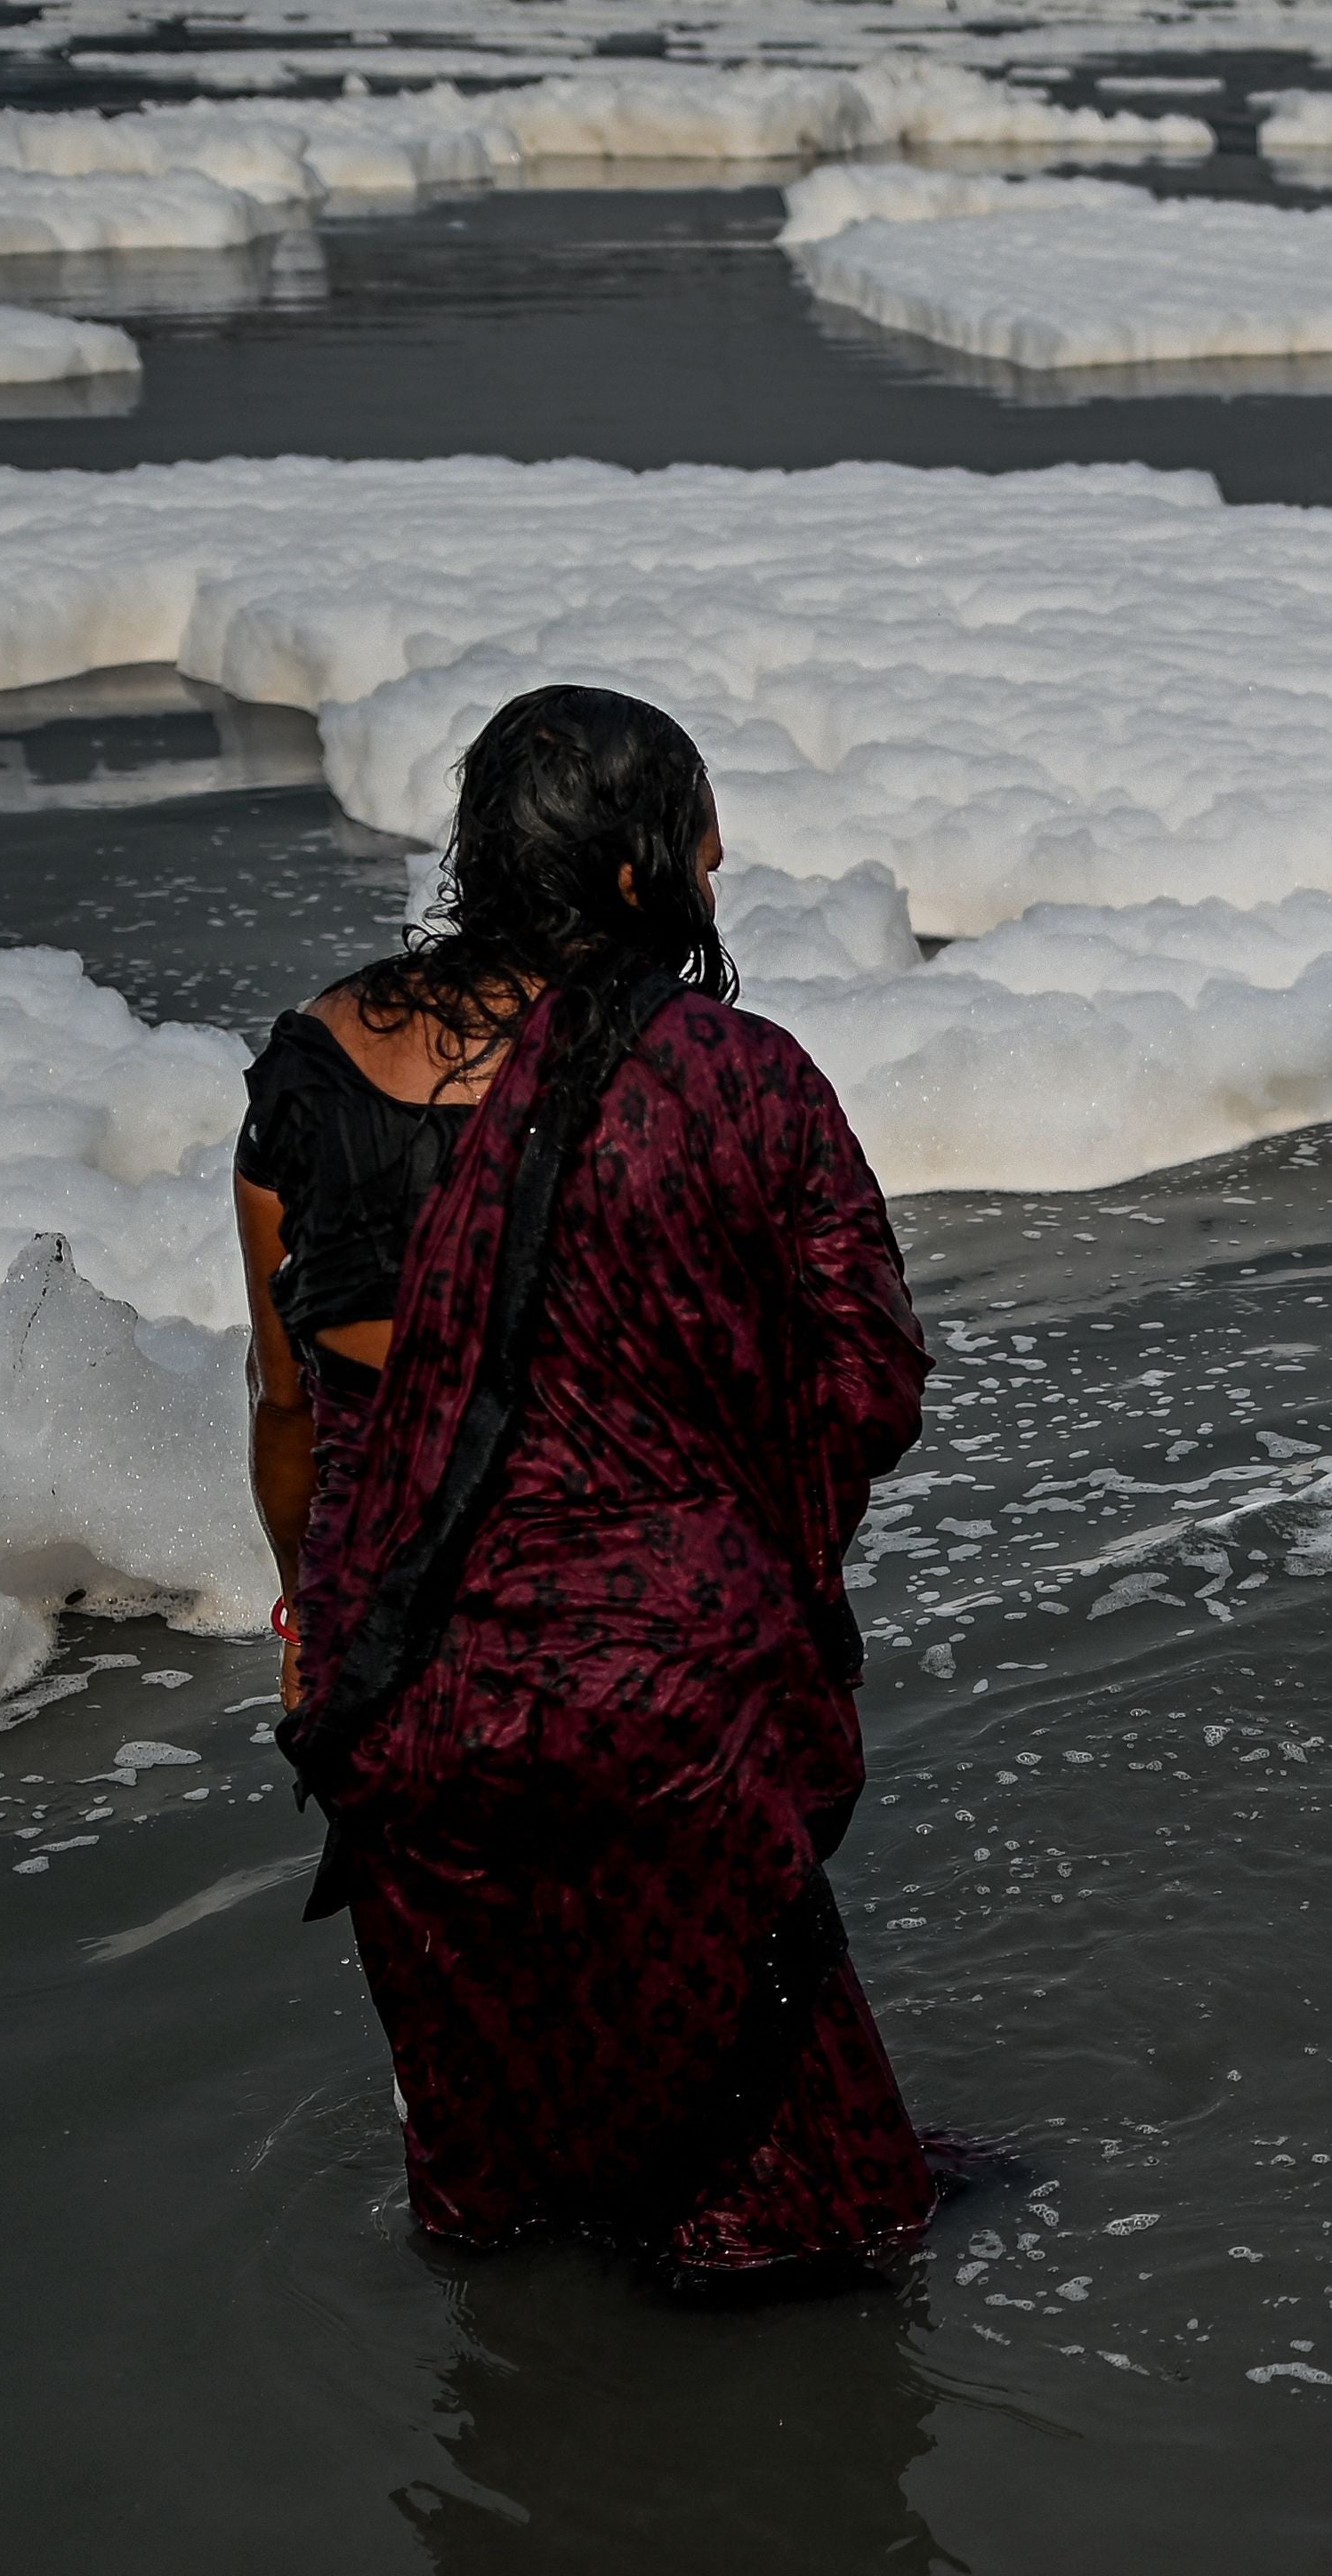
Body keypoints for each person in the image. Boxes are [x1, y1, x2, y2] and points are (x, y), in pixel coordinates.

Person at [239, 685, 940, 2280]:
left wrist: (314, 1615)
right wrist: (741, 1542)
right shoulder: (732, 1077)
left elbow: (291, 1400)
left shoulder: (318, 1061)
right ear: (643, 876)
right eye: (705, 854)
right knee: (814, 2215)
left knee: (505, 2187)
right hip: (659, 1697)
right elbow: (867, 1378)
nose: (711, 885)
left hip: (401, 1689)